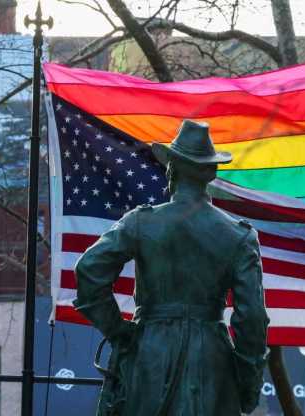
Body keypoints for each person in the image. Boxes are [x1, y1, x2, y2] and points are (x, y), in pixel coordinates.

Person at [73, 120, 270, 415]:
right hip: (212, 360)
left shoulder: (140, 222)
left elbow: (89, 270)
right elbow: (252, 318)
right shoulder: (239, 236)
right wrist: (248, 382)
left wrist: (119, 333)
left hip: (150, 352)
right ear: (211, 174)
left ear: (171, 170)